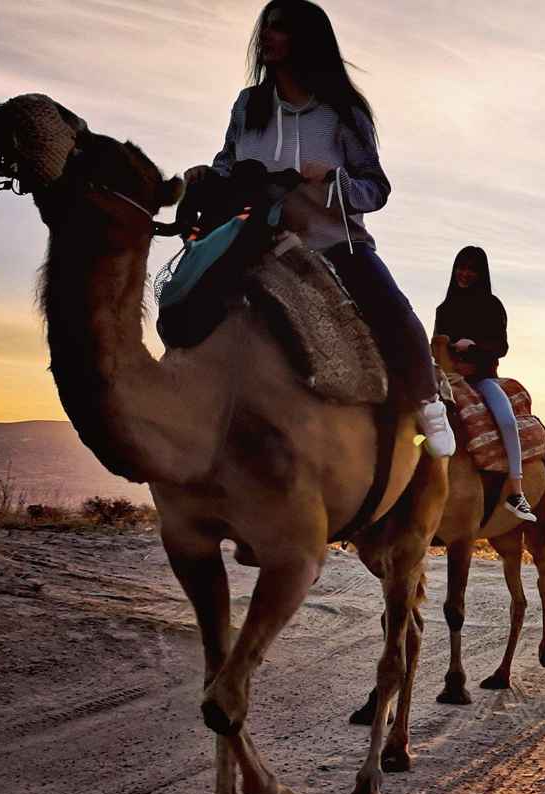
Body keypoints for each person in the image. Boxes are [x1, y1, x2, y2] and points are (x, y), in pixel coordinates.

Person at [185, 0, 453, 458]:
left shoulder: (344, 113)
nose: (266, 36)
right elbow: (227, 162)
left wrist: (333, 179)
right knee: (191, 297)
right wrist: (207, 177)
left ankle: (429, 404)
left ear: (306, 40)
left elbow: (377, 189)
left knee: (391, 308)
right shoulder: (249, 105)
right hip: (255, 241)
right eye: (266, 27)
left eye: (280, 28)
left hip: (332, 243)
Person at [434, 247, 537, 522]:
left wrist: (474, 347)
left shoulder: (492, 306)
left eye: (471, 269)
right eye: (461, 267)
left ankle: (516, 491)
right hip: (447, 378)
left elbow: (501, 347)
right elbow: (437, 343)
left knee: (506, 420)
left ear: (480, 274)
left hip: (482, 379)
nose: (464, 274)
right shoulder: (444, 309)